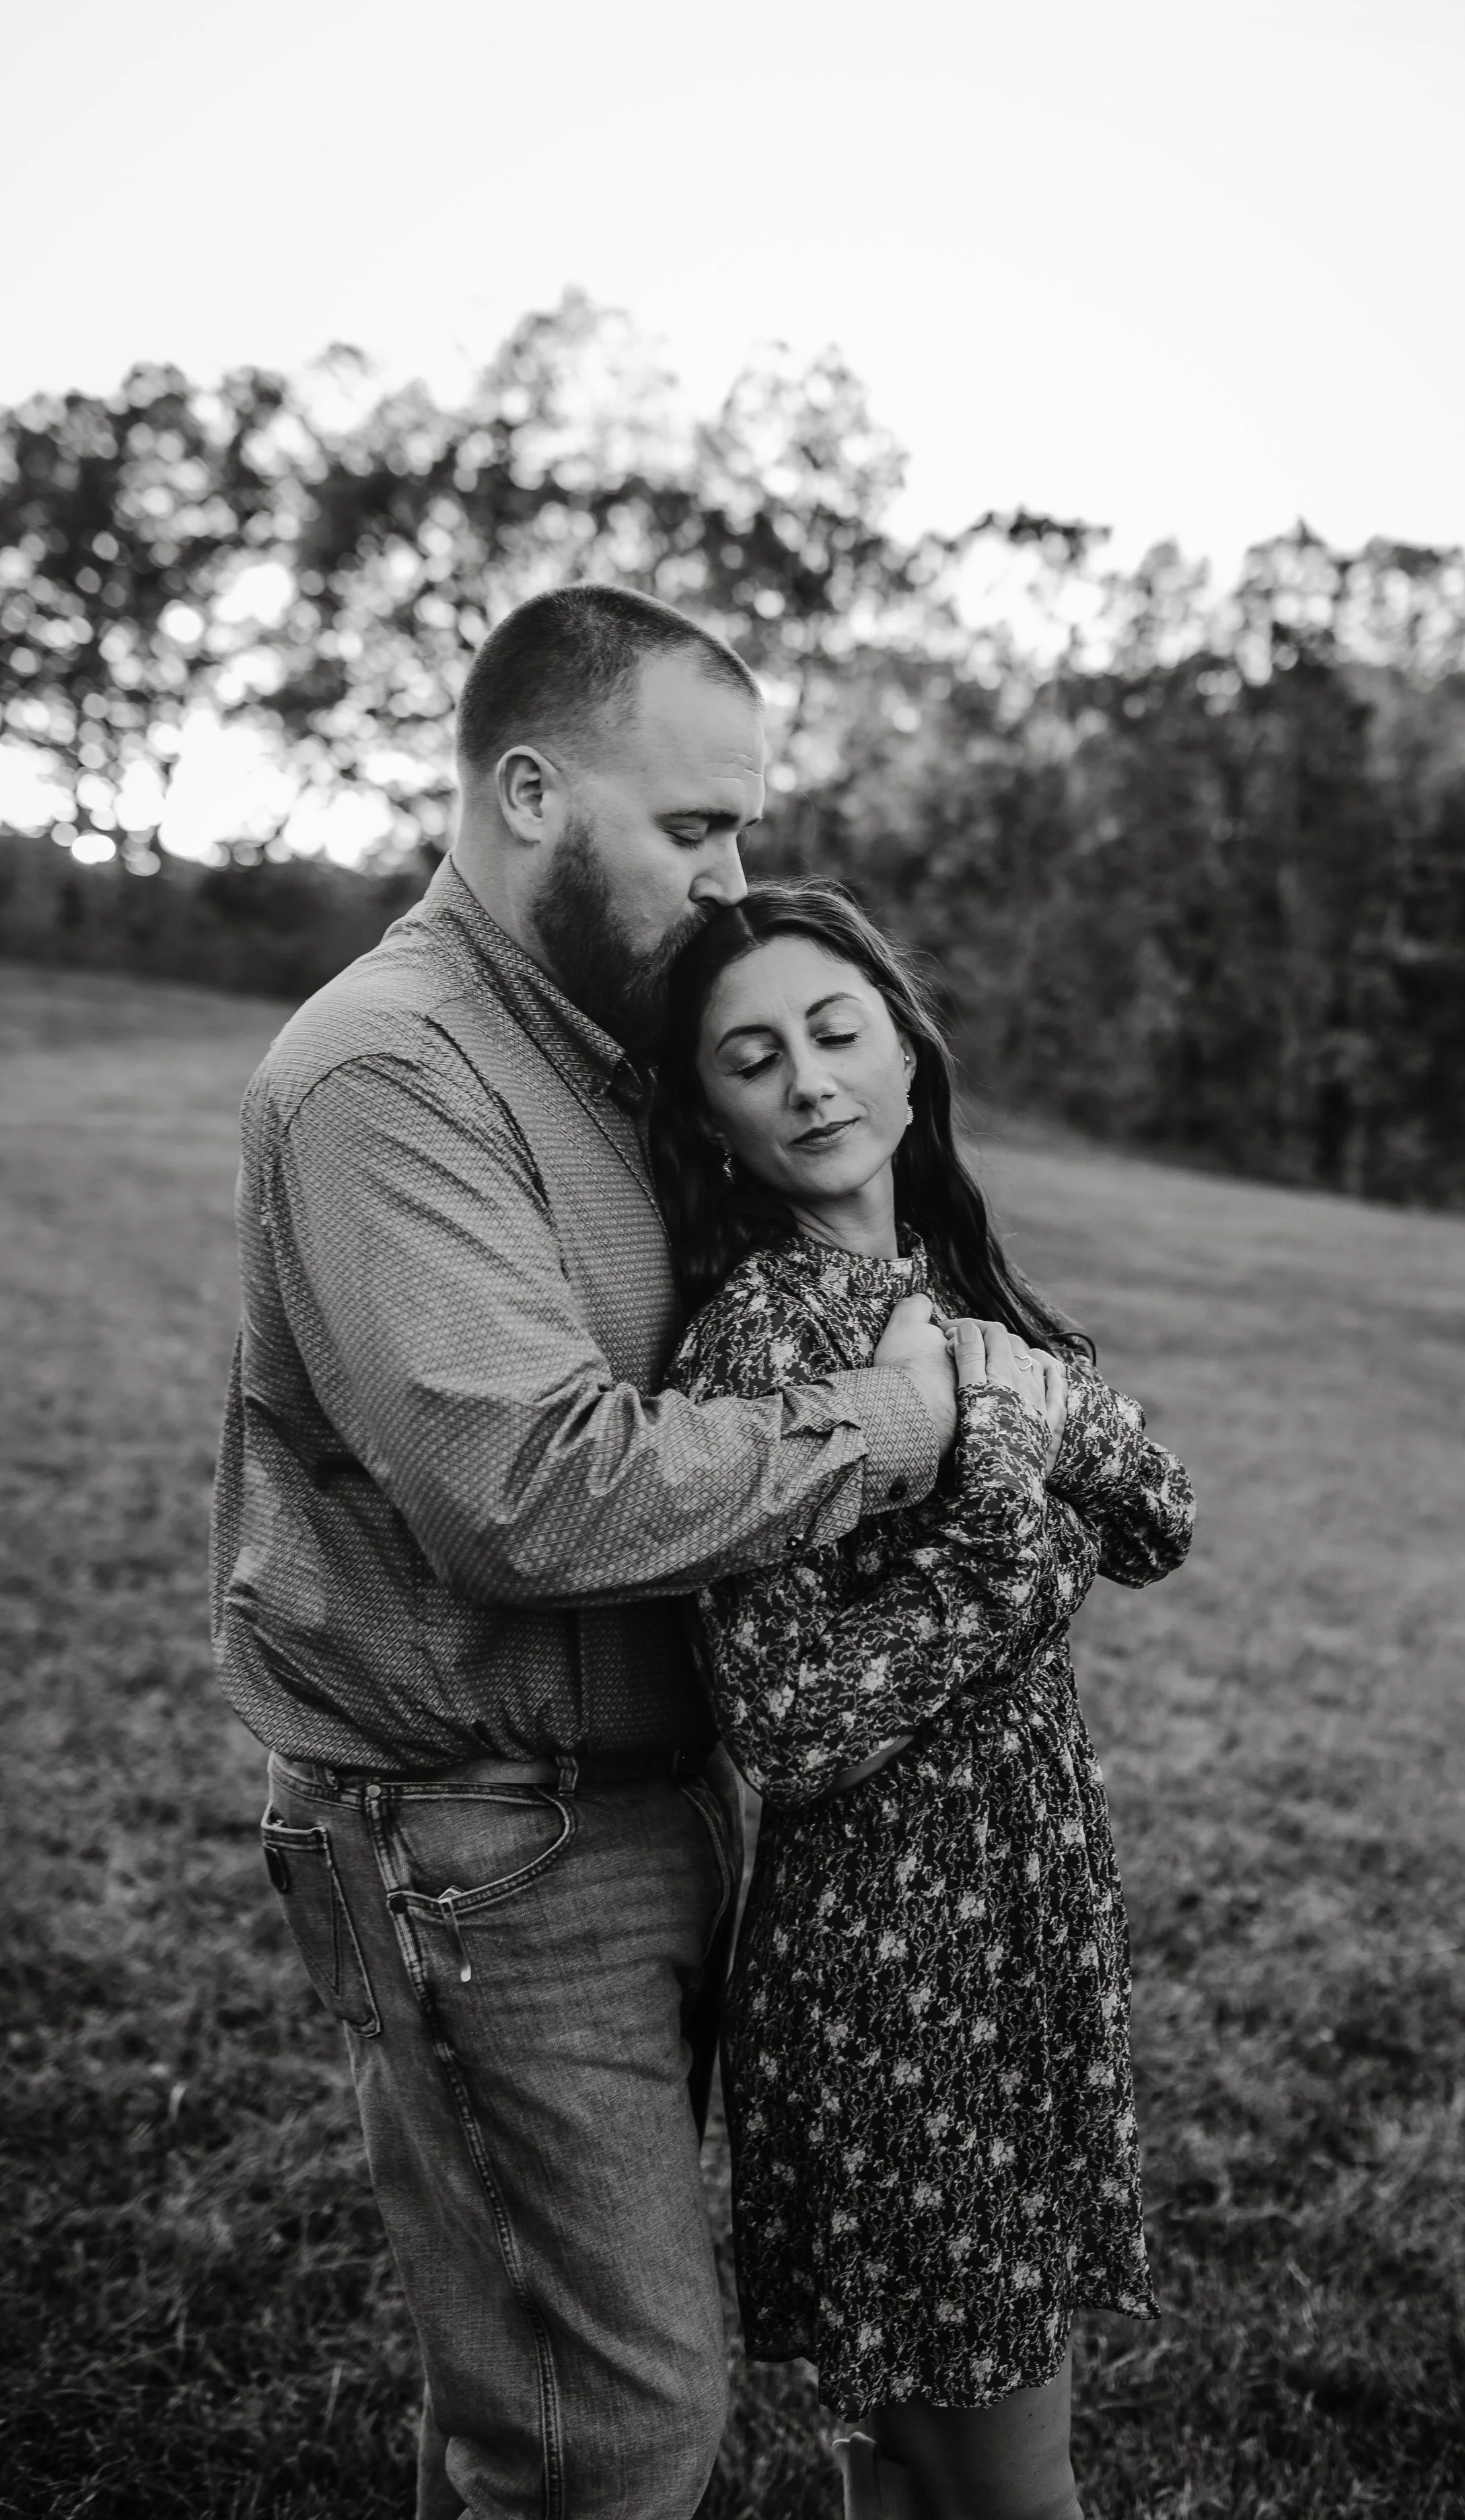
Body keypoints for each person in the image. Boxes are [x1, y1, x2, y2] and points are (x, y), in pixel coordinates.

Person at [211, 587, 966, 2520]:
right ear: (531, 789)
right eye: (696, 829)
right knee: (605, 2432)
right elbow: (529, 1487)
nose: (736, 884)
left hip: (641, 1803)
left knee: (568, 2387)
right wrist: (880, 1432)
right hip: (481, 1837)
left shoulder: (603, 1046)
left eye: (747, 832)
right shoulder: (388, 1070)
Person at [651, 885, 1196, 2520]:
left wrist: (1014, 1414)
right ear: (713, 1117)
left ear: (904, 1058)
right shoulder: (757, 1344)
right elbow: (796, 1724)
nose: (808, 1081)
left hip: (1016, 1913)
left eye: (835, 1033)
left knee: (916, 2464)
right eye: (754, 1060)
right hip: (899, 1966)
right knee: (1018, 2486)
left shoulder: (954, 1287)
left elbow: (1161, 1516)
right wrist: (1019, 1501)